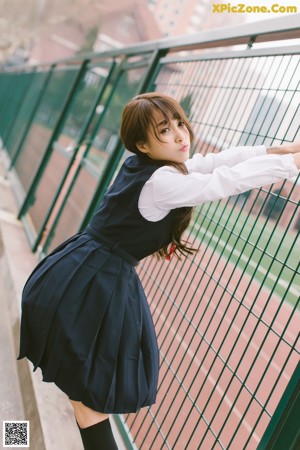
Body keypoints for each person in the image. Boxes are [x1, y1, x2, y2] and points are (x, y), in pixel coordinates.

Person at [18, 92, 300, 450]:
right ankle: (12, 438)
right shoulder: (160, 182)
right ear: (143, 144)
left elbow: (216, 162)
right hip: (89, 284)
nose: (181, 135)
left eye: (180, 123)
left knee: (83, 393)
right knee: (89, 401)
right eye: (165, 130)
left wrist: (285, 150)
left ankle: (12, 439)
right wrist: (291, 165)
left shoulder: (146, 167)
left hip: (80, 275)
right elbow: (221, 180)